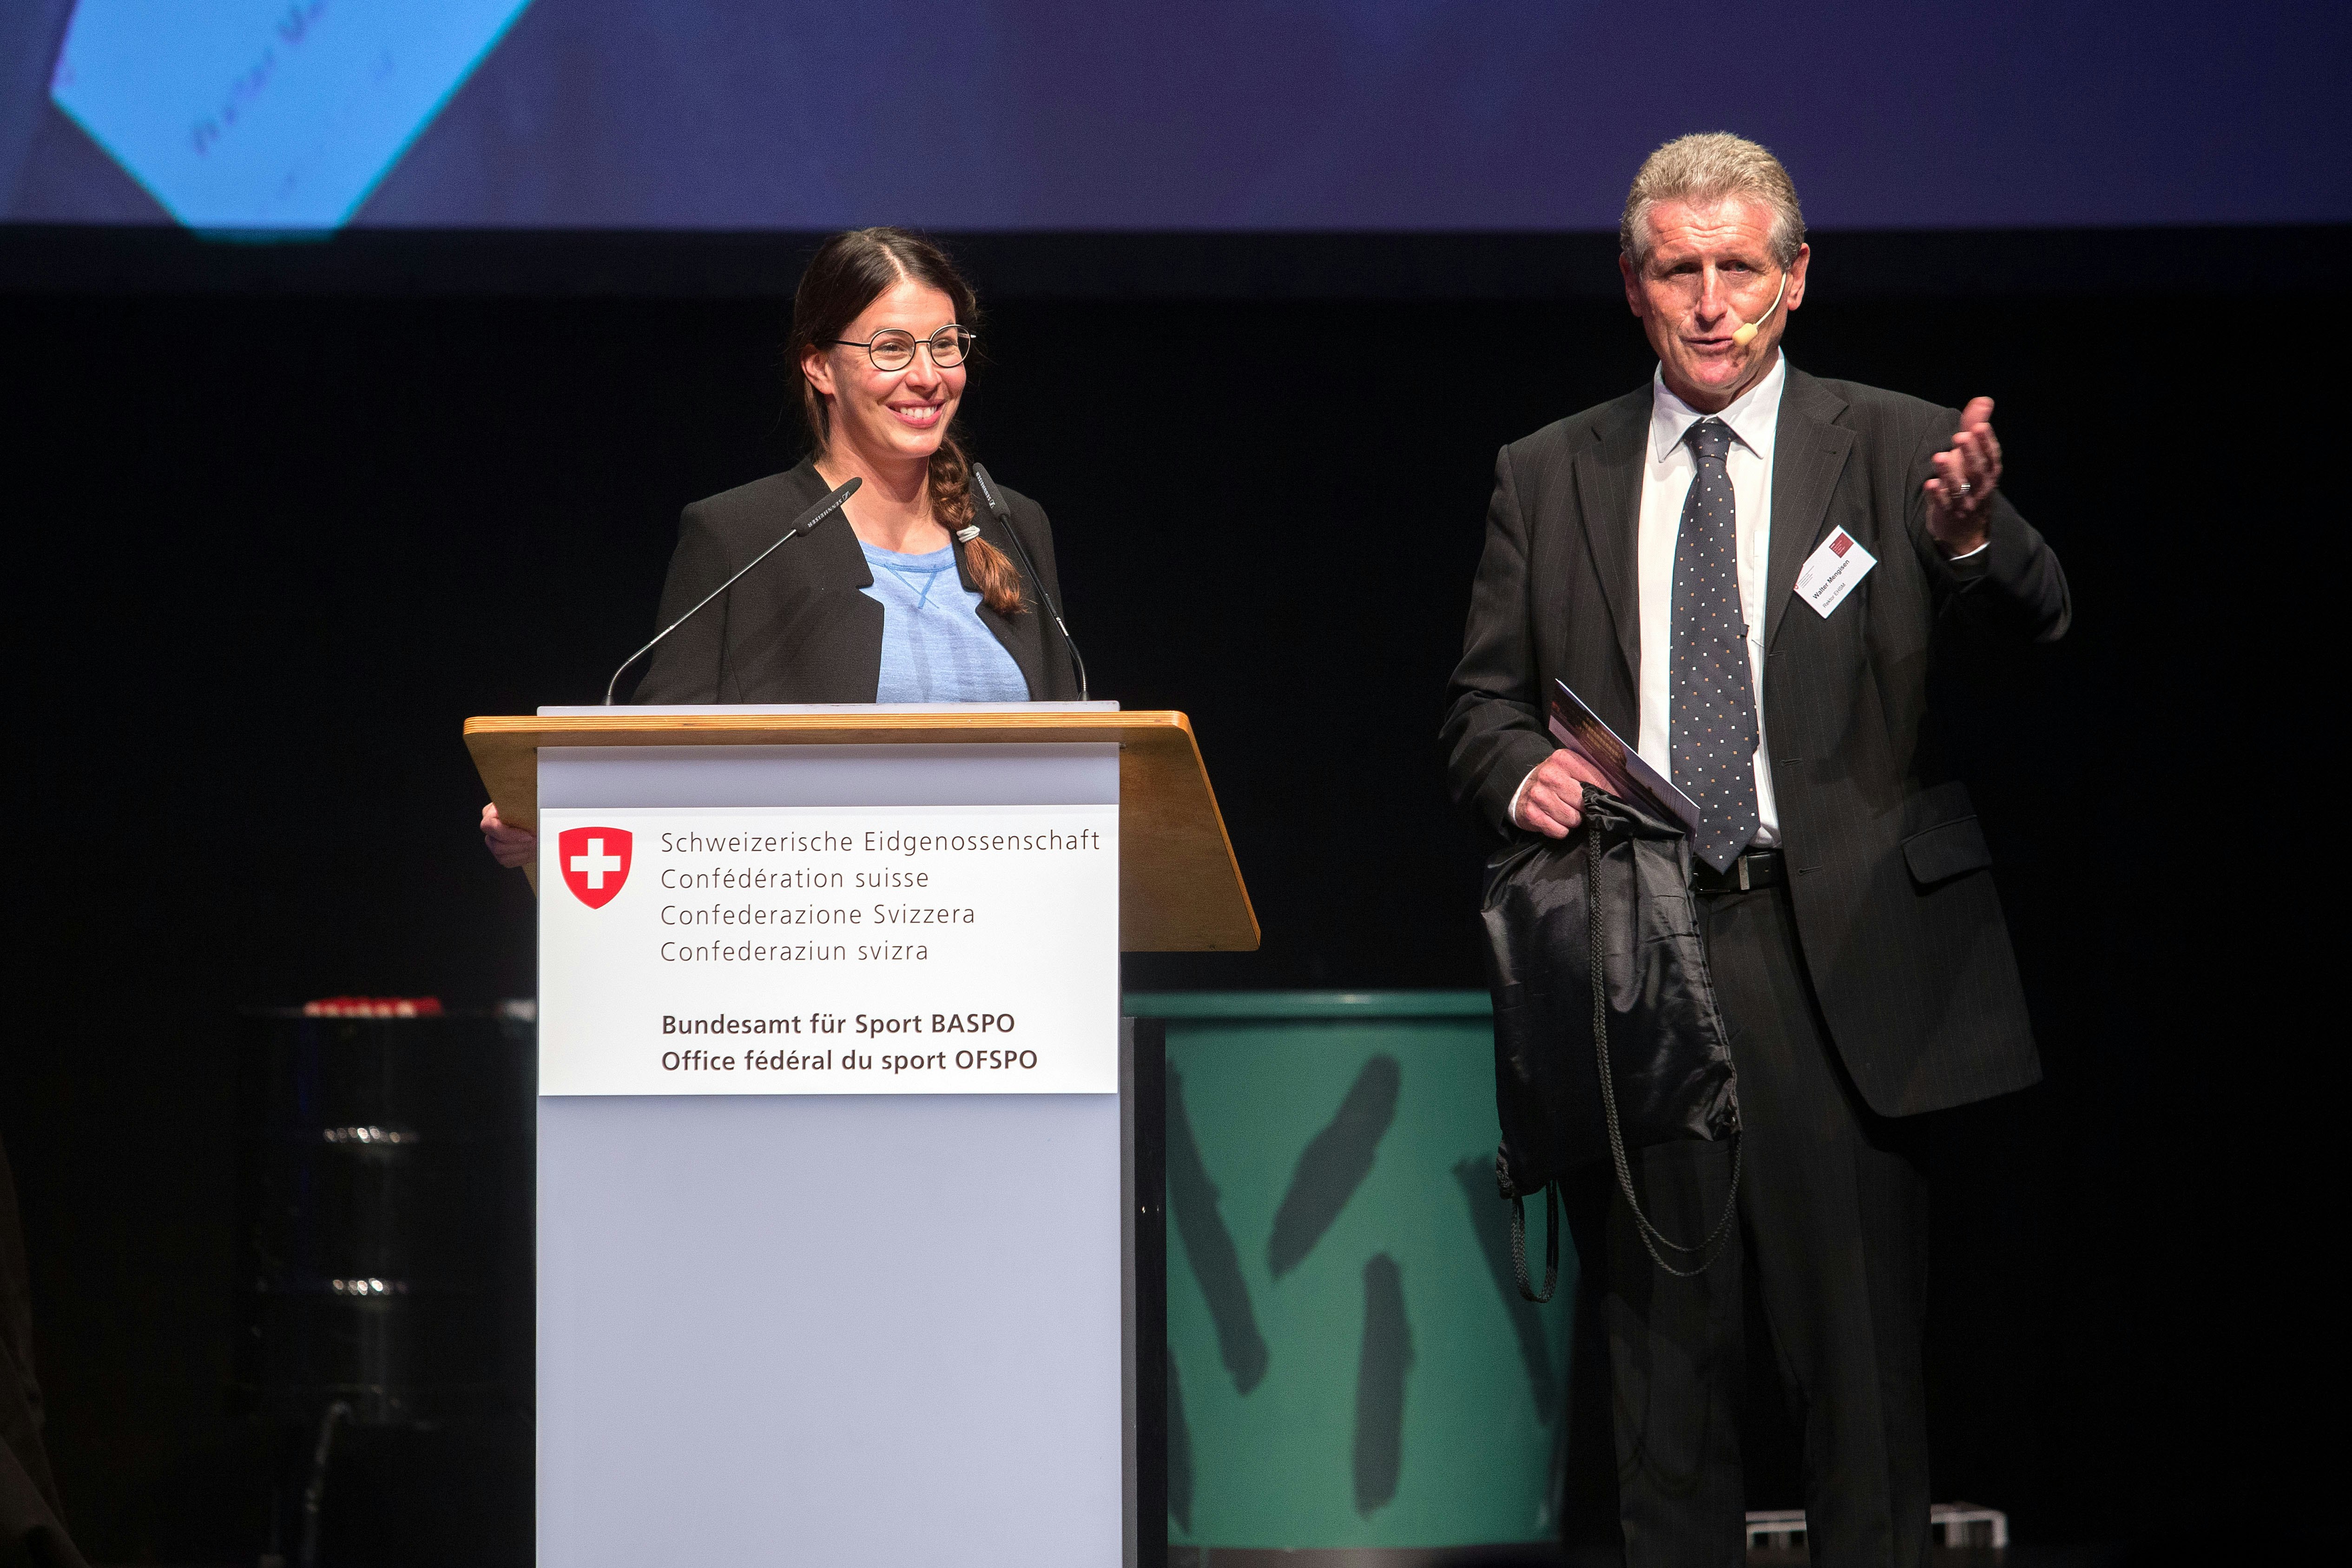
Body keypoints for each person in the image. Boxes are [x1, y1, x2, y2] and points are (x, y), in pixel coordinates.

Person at [1442, 134, 2069, 1568]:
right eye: (1679, 271)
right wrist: (1515, 767)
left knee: (1857, 1393)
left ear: (1795, 280)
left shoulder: (1901, 445)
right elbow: (1476, 705)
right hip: (1638, 952)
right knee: (1662, 1394)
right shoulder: (1545, 474)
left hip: (1831, 950)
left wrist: (1971, 545)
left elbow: (2041, 624)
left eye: (1739, 269)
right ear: (1632, 284)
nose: (1710, 301)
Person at [482, 227, 1080, 867]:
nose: (928, 376)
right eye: (892, 349)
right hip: (809, 933)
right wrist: (570, 820)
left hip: (1006, 934)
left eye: (945, 345)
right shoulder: (741, 534)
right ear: (819, 365)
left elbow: (1077, 762)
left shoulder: (1011, 523)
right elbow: (662, 757)